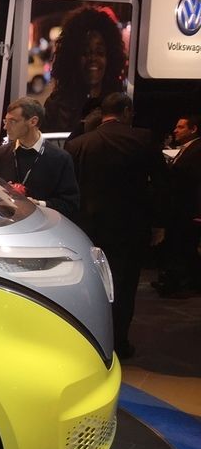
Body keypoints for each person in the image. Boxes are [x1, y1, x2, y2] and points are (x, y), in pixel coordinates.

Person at [65, 93, 167, 359]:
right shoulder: (143, 139)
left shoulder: (78, 145)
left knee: (91, 286)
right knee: (125, 286)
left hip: (89, 228)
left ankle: (90, 341)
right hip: (131, 227)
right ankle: (118, 343)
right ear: (127, 111)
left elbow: (72, 192)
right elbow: (161, 185)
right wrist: (159, 223)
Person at [0, 97, 79, 218]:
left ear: (33, 122)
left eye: (13, 121)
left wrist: (39, 204)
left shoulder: (60, 158)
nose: (5, 127)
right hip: (5, 224)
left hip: (41, 225)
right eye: (6, 121)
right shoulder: (0, 154)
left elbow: (70, 204)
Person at [42, 5, 127, 134]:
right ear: (72, 57)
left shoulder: (119, 104)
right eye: (85, 52)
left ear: (110, 58)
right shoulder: (56, 107)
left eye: (99, 52)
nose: (92, 58)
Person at [152, 114, 201, 297]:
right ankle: (176, 281)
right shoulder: (187, 149)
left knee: (186, 246)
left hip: (188, 208)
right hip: (179, 208)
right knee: (180, 246)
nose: (175, 130)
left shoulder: (197, 150)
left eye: (181, 127)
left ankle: (186, 283)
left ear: (193, 129)